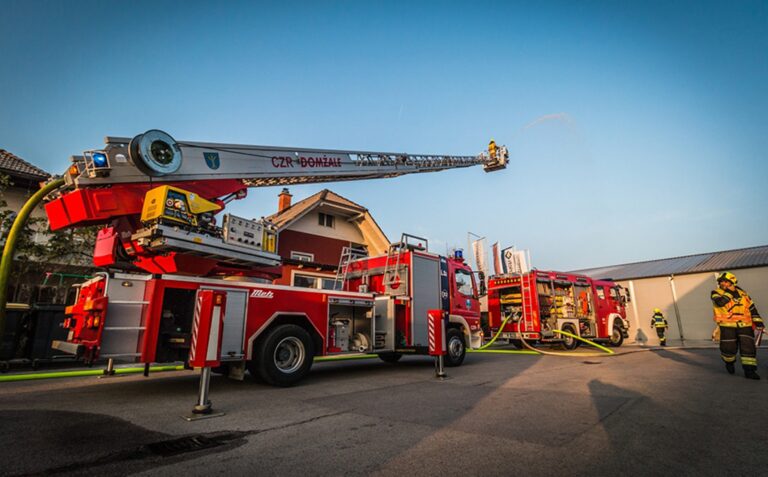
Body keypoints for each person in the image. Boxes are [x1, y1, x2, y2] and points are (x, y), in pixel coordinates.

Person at [711, 271, 764, 379]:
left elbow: (752, 309)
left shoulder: (744, 294)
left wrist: (759, 323)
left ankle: (750, 371)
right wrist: (730, 292)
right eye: (721, 282)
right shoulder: (716, 292)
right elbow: (720, 302)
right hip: (727, 326)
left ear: (733, 282)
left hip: (745, 326)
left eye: (726, 282)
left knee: (748, 348)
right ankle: (729, 363)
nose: (723, 284)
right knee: (728, 349)